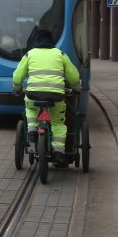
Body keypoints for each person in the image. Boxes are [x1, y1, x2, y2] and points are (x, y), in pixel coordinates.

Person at [12, 29, 81, 165]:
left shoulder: (29, 54)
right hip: (56, 96)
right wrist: (76, 89)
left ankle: (32, 130)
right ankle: (59, 152)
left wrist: (17, 89)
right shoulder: (60, 54)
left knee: (30, 108)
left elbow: (17, 76)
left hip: (33, 94)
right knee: (58, 122)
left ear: (36, 41)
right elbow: (73, 77)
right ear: (52, 41)